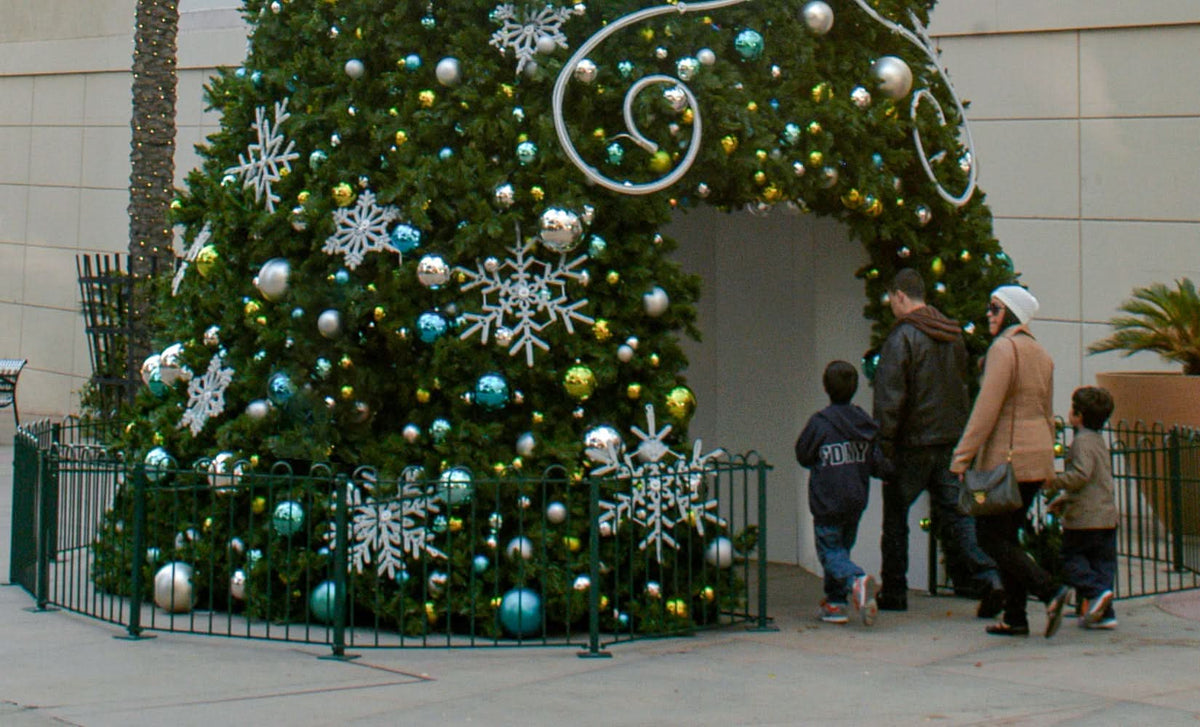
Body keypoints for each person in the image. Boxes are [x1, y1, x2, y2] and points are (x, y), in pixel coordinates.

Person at [873, 268, 1003, 613]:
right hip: (949, 439)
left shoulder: (902, 337)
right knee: (959, 514)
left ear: (900, 296)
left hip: (912, 443)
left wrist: (884, 444)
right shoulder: (952, 334)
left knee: (896, 518)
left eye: (891, 299)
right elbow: (962, 386)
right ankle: (989, 577)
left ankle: (895, 591)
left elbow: (890, 396)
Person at [951, 285, 1072, 638]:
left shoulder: (1004, 350)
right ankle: (1015, 617)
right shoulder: (1041, 353)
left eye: (995, 308)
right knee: (1007, 537)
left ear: (1012, 314)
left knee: (990, 537)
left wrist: (961, 459)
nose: (988, 314)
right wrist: (1049, 464)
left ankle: (1049, 590)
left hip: (1008, 461)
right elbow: (1048, 413)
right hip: (1034, 461)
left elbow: (985, 410)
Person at [796, 360, 888, 626]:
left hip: (827, 500)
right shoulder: (864, 424)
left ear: (826, 387)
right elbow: (876, 462)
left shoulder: (820, 423)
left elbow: (803, 454)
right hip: (856, 499)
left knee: (830, 552)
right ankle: (835, 603)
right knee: (841, 551)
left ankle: (856, 581)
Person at [1046, 386, 1119, 629]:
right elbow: (1096, 480)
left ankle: (1096, 594)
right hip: (1106, 515)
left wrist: (1054, 482)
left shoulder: (1081, 442)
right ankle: (1105, 612)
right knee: (1102, 563)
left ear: (1078, 416)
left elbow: (1081, 475)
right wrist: (1064, 498)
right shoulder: (1099, 441)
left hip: (1084, 518)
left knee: (1071, 558)